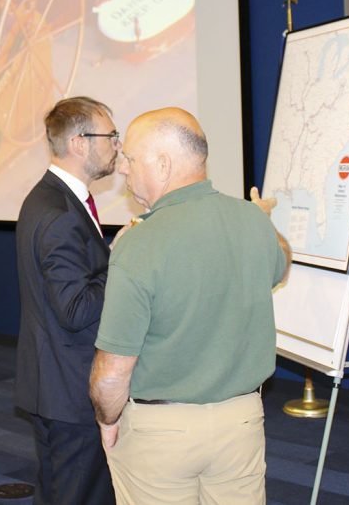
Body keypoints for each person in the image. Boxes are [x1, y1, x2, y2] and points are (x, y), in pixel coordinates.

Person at [89, 107, 292, 505]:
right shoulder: (253, 222)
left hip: (160, 434)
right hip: (243, 422)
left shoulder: (139, 243)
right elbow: (281, 263)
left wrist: (106, 419)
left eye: (129, 158)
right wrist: (264, 221)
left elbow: (113, 370)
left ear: (162, 164)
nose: (123, 170)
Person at [15, 96, 119, 505]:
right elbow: (74, 309)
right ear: (79, 143)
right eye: (109, 135)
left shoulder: (57, 198)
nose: (116, 143)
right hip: (68, 387)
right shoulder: (58, 210)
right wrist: (122, 262)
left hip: (57, 379)